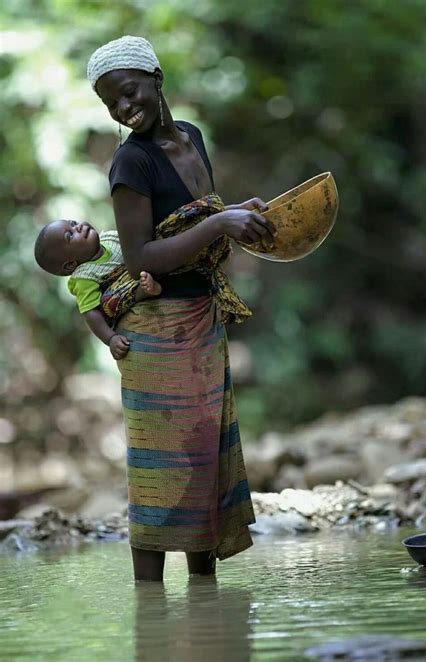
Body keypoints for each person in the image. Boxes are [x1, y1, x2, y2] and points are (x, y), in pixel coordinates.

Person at [86, 35, 275, 581]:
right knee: (162, 476)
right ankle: (150, 611)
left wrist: (237, 212)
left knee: (204, 467)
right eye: (111, 104)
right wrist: (221, 223)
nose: (124, 108)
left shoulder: (191, 136)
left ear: (155, 79)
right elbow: (145, 255)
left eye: (128, 92)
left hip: (202, 320)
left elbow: (193, 216)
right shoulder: (130, 163)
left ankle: (202, 608)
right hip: (156, 332)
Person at [34, 219, 162, 359]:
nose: (78, 227)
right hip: (126, 292)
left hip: (140, 268)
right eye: (70, 235)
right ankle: (144, 291)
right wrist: (110, 338)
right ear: (70, 264)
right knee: (110, 300)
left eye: (73, 223)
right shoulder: (84, 277)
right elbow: (90, 312)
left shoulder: (109, 238)